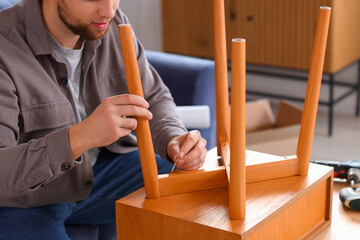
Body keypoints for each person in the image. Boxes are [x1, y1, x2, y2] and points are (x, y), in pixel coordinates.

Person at [0, 0, 207, 239]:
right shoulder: (5, 47)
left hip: (104, 172)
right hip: (28, 198)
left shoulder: (113, 22)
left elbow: (153, 96)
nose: (108, 11)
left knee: (203, 190)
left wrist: (174, 138)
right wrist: (80, 137)